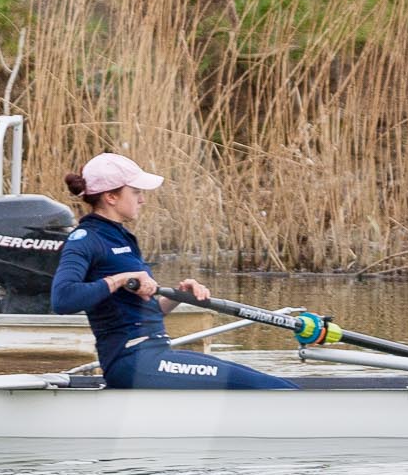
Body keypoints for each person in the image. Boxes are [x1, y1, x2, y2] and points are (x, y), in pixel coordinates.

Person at [50, 152, 294, 390]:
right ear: (111, 197)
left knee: (265, 381)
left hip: (153, 356)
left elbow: (139, 314)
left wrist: (177, 297)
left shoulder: (120, 236)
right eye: (135, 192)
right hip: (131, 363)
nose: (142, 199)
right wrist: (120, 279)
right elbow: (63, 299)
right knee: (267, 388)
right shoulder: (85, 239)